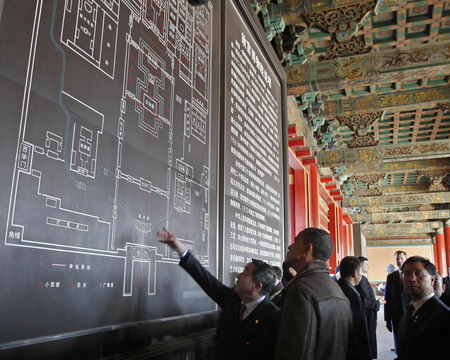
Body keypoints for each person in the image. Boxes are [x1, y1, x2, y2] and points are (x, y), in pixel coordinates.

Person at [157, 229, 280, 360]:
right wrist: (180, 249)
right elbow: (205, 279)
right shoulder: (232, 300)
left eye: (245, 272)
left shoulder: (273, 316)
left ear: (256, 286)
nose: (238, 276)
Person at [275, 227, 354, 360]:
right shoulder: (336, 288)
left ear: (307, 249)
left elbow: (297, 351)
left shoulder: (301, 289)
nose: (289, 246)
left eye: (295, 241)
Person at [396, 256, 450, 360]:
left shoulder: (444, 316)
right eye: (407, 274)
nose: (412, 279)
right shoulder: (410, 309)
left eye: (418, 273)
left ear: (432, 280)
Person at [338, 256, 372, 360]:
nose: (361, 276)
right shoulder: (350, 293)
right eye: (360, 273)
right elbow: (358, 327)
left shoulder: (339, 286)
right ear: (355, 273)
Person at [356, 256, 384, 359]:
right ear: (360, 265)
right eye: (366, 265)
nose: (369, 267)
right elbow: (365, 301)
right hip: (366, 315)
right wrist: (378, 302)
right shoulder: (361, 280)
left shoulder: (363, 278)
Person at [384, 250, 410, 353]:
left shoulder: (411, 274)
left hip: (410, 311)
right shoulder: (390, 277)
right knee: (398, 339)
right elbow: (388, 298)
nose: (399, 261)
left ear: (406, 259)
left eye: (401, 258)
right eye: (397, 259)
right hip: (396, 313)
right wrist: (387, 319)